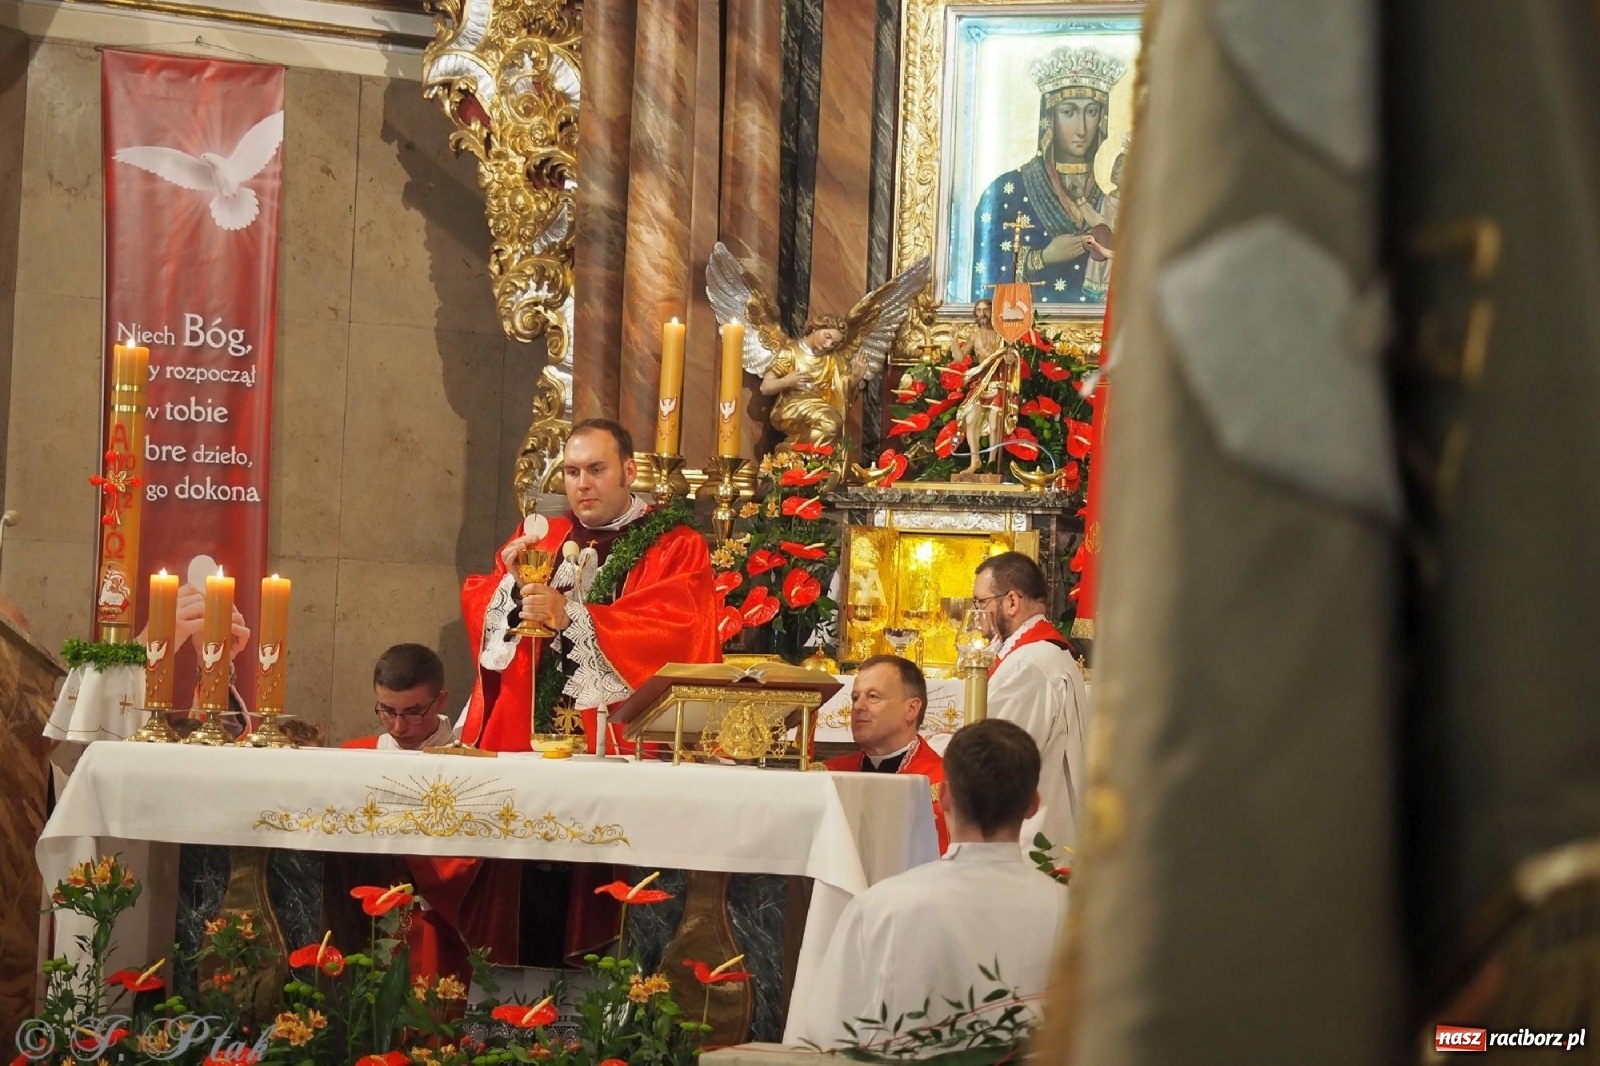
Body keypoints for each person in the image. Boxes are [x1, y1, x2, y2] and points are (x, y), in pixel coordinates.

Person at [797, 719, 1069, 1049]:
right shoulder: (1072, 913)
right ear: (1033, 805)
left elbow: (827, 1031)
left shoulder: (881, 906)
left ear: (944, 797)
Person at [458, 418, 722, 754]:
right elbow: (479, 601)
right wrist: (514, 591)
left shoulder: (676, 545)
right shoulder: (540, 538)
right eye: (572, 472)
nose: (582, 484)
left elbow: (677, 633)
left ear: (630, 472)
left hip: (620, 741)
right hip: (529, 735)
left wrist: (569, 616)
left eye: (596, 470)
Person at [339, 644, 519, 983]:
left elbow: (484, 862)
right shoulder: (355, 757)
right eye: (386, 710)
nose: (398, 726)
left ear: (441, 700)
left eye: (413, 712)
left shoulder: (472, 765)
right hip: (364, 923)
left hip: (443, 927)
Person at [970, 45, 1129, 307]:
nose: (1082, 128)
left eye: (1091, 111)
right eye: (1068, 112)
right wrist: (1042, 258)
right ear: (1049, 117)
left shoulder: (1122, 193)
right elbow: (986, 279)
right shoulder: (1006, 191)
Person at [971, 552, 1088, 852]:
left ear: (1011, 601)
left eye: (980, 603)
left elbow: (995, 756)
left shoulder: (1028, 665)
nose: (976, 616)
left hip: (1028, 843)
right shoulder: (1041, 654)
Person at [825, 655, 949, 854]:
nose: (857, 707)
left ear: (911, 709)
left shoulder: (944, 783)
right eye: (855, 697)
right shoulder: (829, 775)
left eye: (873, 697)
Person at [758, 316, 853, 451]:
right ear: (815, 328)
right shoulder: (790, 352)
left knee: (831, 425)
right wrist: (787, 381)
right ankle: (796, 453)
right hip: (792, 406)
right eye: (827, 336)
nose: (827, 345)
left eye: (833, 344)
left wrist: (856, 376)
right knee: (831, 423)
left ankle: (801, 457)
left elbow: (841, 390)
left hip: (819, 406)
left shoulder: (831, 359)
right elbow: (765, 388)